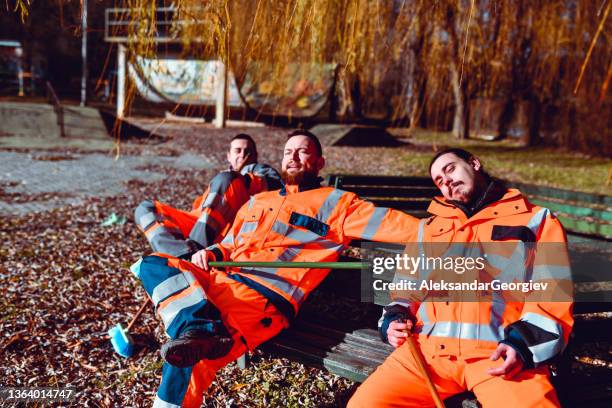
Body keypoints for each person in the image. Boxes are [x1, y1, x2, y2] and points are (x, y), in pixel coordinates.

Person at [130, 130, 422, 408]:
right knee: (151, 263)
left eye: (302, 151)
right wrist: (211, 252)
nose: (292, 157)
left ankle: (199, 333)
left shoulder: (338, 204)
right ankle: (199, 326)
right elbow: (230, 243)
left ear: (319, 163)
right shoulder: (259, 201)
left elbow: (403, 227)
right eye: (287, 152)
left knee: (189, 361)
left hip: (257, 299)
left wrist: (456, 230)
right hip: (216, 279)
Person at [348, 148, 574, 408]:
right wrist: (394, 317)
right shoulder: (430, 229)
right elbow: (406, 287)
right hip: (426, 355)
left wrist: (523, 344)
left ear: (474, 164)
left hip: (498, 355)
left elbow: (551, 295)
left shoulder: (536, 220)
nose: (447, 181)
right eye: (439, 181)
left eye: (450, 169)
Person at [134, 133, 282, 258]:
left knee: (226, 178)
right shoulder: (221, 177)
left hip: (232, 227)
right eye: (238, 150)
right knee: (146, 209)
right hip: (201, 221)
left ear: (255, 156)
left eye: (248, 151)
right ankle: (179, 254)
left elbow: (274, 185)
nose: (243, 155)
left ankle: (192, 255)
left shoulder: (259, 170)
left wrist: (241, 178)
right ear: (229, 156)